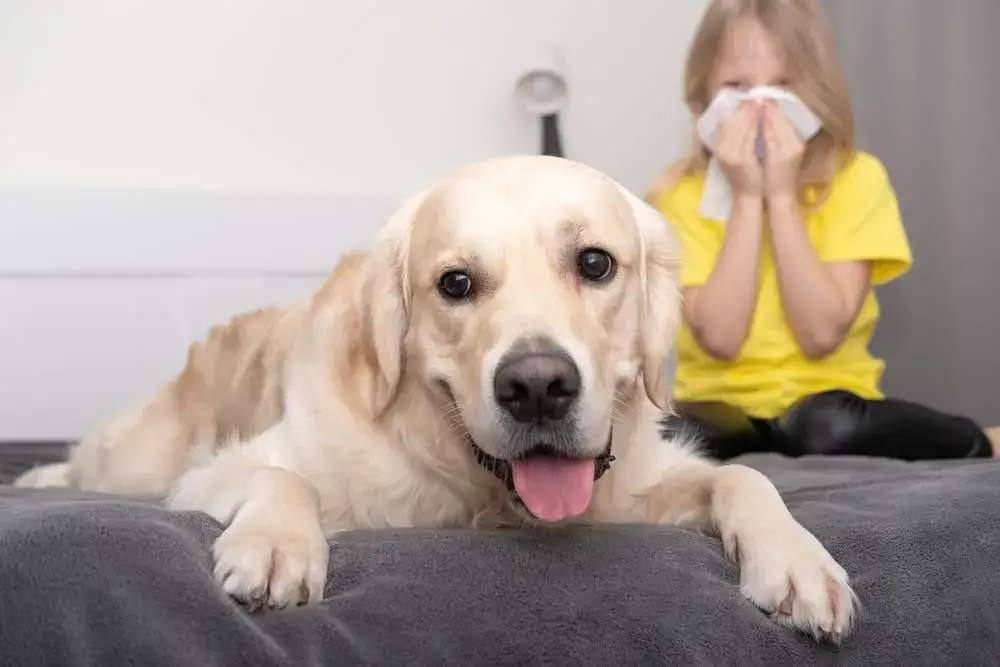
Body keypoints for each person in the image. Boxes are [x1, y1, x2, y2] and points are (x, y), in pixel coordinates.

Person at [647, 0, 1000, 461]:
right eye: (737, 86)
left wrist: (781, 196)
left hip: (825, 401)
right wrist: (748, 200)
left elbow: (820, 334)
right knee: (662, 438)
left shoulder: (857, 179)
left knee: (827, 426)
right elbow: (721, 337)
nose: (759, 107)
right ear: (705, 95)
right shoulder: (677, 194)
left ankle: (982, 440)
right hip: (717, 408)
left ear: (814, 92)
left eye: (780, 86)